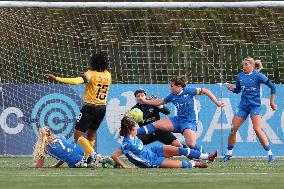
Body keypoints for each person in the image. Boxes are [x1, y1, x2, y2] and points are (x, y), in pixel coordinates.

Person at [45, 52, 111, 164]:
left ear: (93, 63)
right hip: (102, 108)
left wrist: (56, 78)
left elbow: (76, 81)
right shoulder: (108, 75)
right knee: (91, 135)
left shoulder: (90, 74)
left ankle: (95, 156)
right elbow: (97, 78)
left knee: (78, 135)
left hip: (90, 108)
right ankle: (87, 159)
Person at [136, 75, 223, 155]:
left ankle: (207, 156)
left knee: (191, 144)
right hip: (178, 119)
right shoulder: (172, 96)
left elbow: (206, 91)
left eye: (171, 86)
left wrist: (217, 103)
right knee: (156, 124)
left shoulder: (189, 91)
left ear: (178, 86)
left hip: (189, 121)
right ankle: (133, 132)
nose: (170, 88)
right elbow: (160, 102)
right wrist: (145, 101)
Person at [221, 57, 277, 163]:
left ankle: (270, 154)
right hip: (243, 106)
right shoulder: (240, 76)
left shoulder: (258, 76)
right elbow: (237, 90)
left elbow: (273, 87)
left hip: (255, 106)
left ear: (252, 65)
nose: (244, 67)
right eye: (243, 65)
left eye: (246, 64)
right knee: (233, 129)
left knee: (257, 129)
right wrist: (231, 88)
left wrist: (271, 102)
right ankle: (228, 154)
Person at [111, 116, 218, 169]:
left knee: (181, 150)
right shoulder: (127, 143)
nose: (137, 127)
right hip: (150, 161)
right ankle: (195, 163)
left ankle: (207, 156)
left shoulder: (134, 136)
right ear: (131, 129)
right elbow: (114, 155)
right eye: (135, 126)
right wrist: (125, 166)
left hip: (152, 151)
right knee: (183, 165)